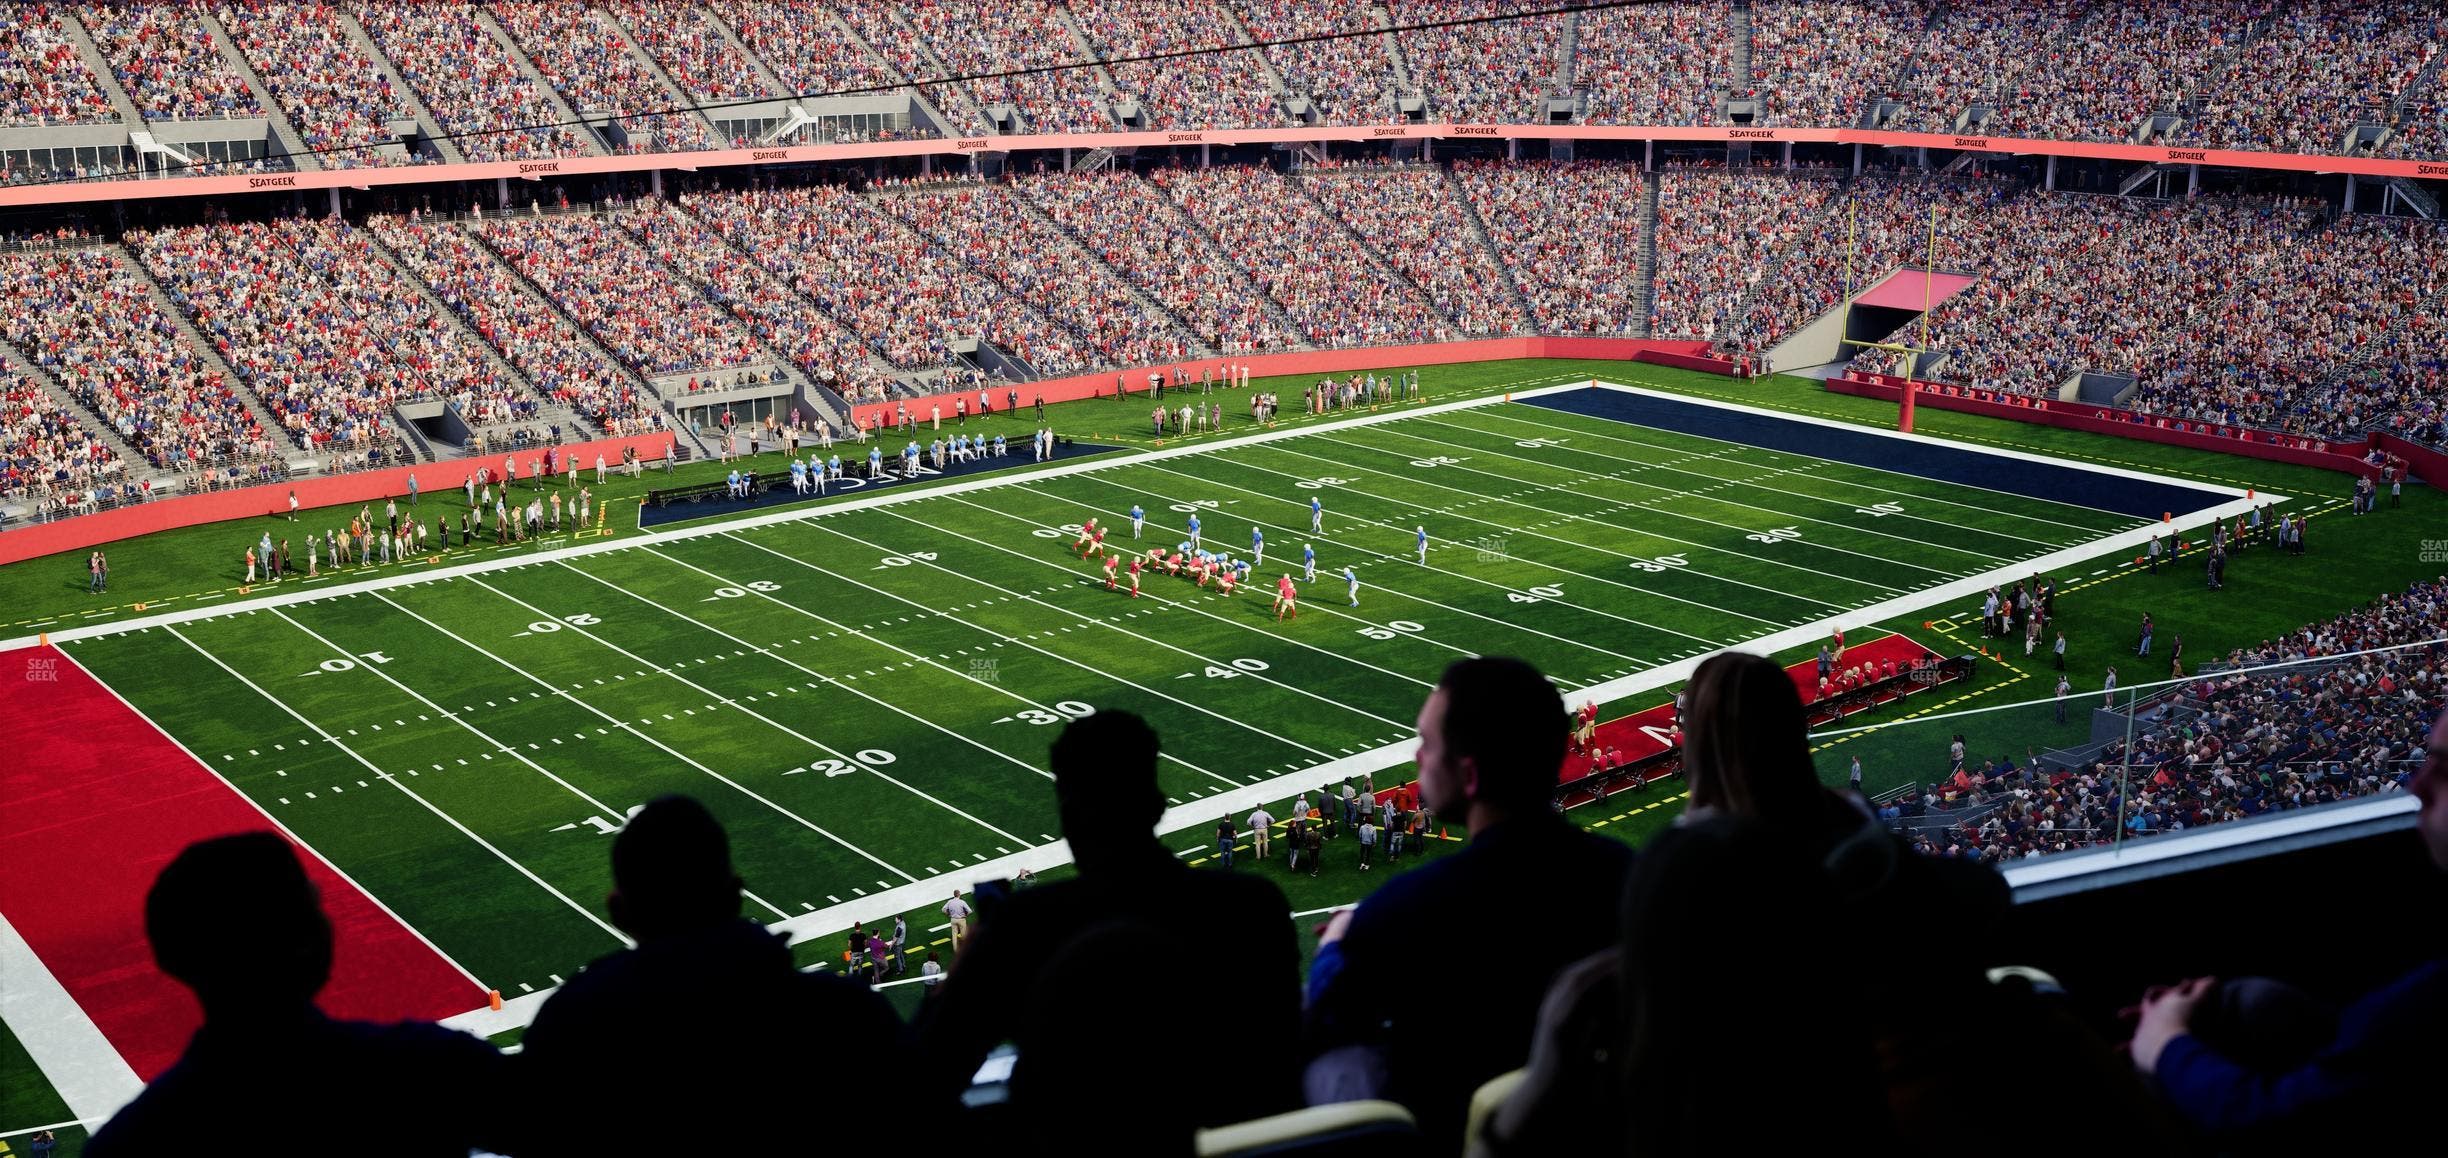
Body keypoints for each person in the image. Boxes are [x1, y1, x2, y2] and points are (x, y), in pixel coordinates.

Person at [915, 713, 1299, 1148]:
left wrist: (969, 963)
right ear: (1157, 804)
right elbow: (1280, 1060)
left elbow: (922, 1081)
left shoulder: (1026, 925)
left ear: (1068, 814)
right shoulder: (1251, 904)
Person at [1304, 657, 1634, 1148]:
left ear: (1471, 775)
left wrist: (1336, 943)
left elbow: (1322, 1018)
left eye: (1427, 743)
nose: (1418, 756)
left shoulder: (1408, 906)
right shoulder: (1632, 874)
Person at [2127, 708, 2448, 1150]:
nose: (2416, 785)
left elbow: (2265, 1121)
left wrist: (2163, 1041)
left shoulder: (2426, 1004)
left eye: (2446, 770)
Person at [515, 798, 906, 1156]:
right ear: (737, 892)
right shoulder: (844, 1014)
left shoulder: (572, 1031)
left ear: (619, 913)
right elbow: (920, 1102)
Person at [86, 834, 510, 1157]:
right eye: (314, 904)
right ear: (308, 940)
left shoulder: (134, 1138)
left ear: (172, 961)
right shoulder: (427, 1067)